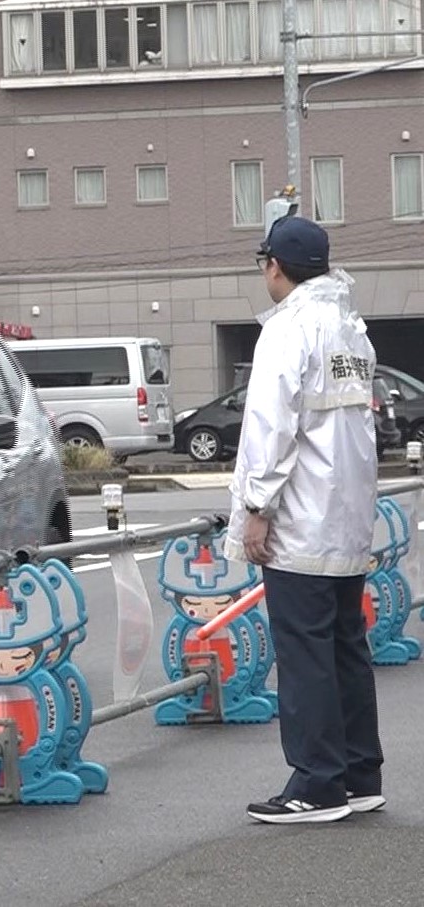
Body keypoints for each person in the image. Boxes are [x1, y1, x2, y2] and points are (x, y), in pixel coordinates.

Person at [226, 215, 383, 825]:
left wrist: (257, 510)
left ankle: (317, 784)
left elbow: (270, 429)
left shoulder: (288, 329)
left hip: (300, 519)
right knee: (346, 647)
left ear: (275, 265)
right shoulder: (350, 327)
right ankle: (358, 774)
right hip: (345, 517)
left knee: (305, 652)